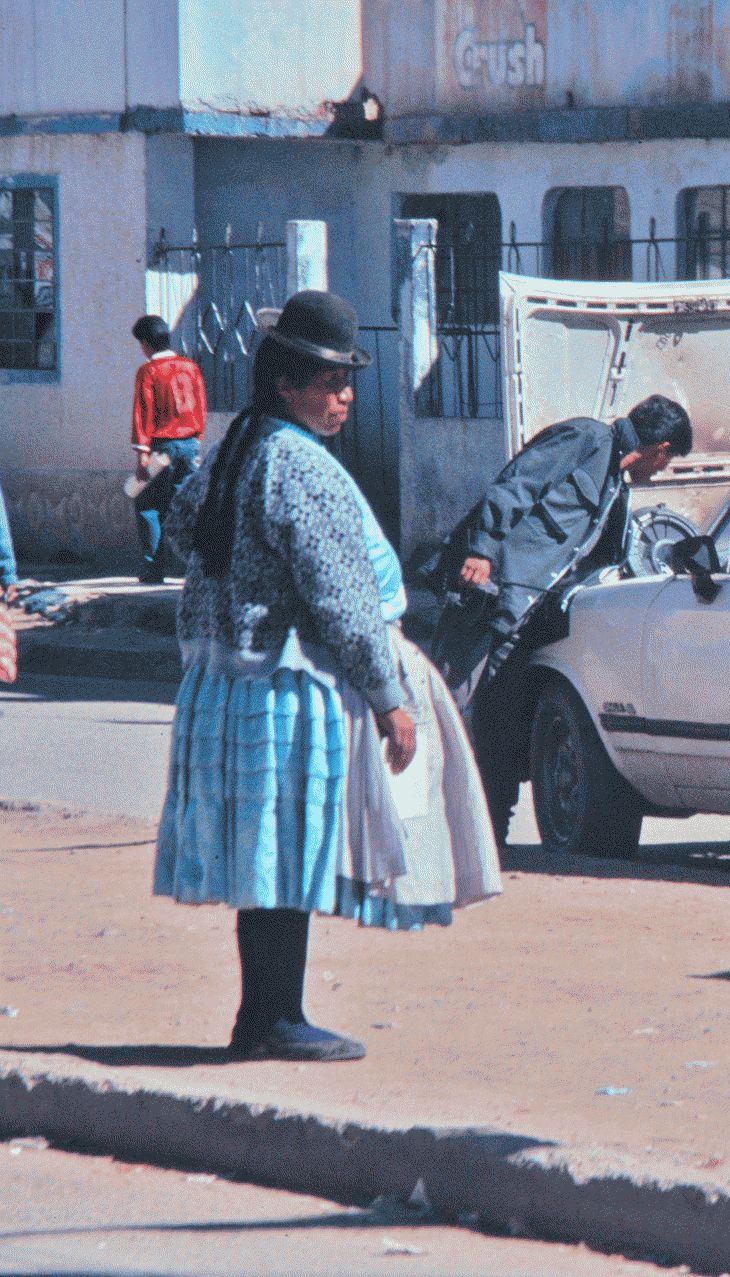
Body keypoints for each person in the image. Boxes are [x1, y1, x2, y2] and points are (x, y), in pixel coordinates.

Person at [154, 291, 500, 1064]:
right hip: (287, 683)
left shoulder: (237, 447)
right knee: (284, 851)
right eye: (330, 381)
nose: (344, 396)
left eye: (347, 381)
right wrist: (388, 699)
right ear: (287, 384)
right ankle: (275, 1017)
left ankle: (264, 1013)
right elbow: (342, 595)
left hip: (228, 680)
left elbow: (181, 530)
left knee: (264, 855)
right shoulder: (302, 465)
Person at [429, 395, 692, 840]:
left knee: (503, 722)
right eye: (667, 462)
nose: (661, 470)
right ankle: (422, 832)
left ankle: (491, 838)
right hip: (489, 597)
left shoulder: (616, 487)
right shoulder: (586, 438)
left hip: (527, 617)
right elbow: (515, 486)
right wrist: (482, 550)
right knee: (447, 707)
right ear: (661, 448)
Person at [130, 315, 208, 583]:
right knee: (188, 506)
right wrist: (195, 441)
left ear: (145, 343)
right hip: (189, 446)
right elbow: (200, 406)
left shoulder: (148, 371)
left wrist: (142, 454)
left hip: (161, 448)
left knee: (148, 505)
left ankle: (154, 568)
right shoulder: (190, 367)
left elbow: (143, 413)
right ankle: (197, 568)